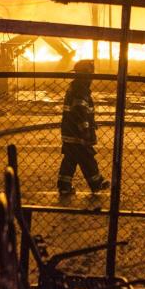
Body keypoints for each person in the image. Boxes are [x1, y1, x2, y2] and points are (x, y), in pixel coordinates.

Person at [58, 59, 109, 197]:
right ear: (86, 75)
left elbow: (80, 111)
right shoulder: (81, 90)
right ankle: (96, 182)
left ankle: (64, 186)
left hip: (70, 132)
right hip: (78, 134)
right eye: (90, 74)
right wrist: (85, 131)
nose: (92, 78)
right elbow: (80, 111)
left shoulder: (76, 87)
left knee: (70, 159)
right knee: (87, 157)